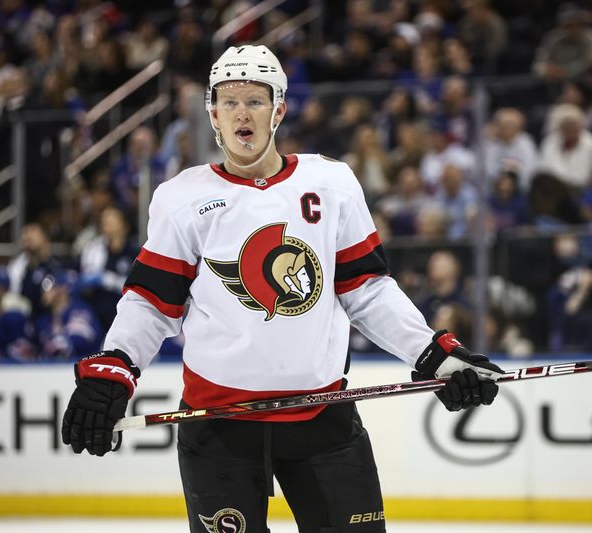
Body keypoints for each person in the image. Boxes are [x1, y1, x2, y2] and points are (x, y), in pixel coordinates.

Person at [61, 45, 503, 533]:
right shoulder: (181, 198)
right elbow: (151, 302)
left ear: (279, 109)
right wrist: (115, 367)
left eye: (255, 100)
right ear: (212, 114)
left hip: (323, 420)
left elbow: (367, 289)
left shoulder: (331, 182)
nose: (242, 113)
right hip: (217, 425)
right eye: (229, 102)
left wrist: (435, 355)